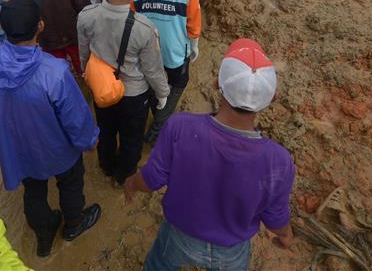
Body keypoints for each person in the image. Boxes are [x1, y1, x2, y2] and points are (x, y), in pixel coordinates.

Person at [124, 39, 295, 270]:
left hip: (179, 234)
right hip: (231, 249)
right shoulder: (279, 161)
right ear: (271, 97)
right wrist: (285, 235)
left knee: (158, 265)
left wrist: (132, 183)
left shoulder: (180, 127)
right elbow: (275, 217)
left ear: (217, 84)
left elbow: (151, 180)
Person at [0, 0, 101, 257]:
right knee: (71, 184)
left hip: (18, 146)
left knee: (32, 189)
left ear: (4, 27)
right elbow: (75, 118)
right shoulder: (54, 71)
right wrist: (88, 141)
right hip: (58, 148)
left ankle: (44, 232)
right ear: (40, 26)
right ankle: (74, 224)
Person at [78, 0, 169, 186]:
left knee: (106, 132)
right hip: (134, 96)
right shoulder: (144, 27)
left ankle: (106, 166)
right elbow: (152, 70)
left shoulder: (86, 16)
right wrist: (163, 95)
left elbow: (84, 55)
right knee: (131, 140)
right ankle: (124, 176)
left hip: (102, 90)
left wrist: (89, 78)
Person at [133, 0, 201, 143]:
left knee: (153, 84)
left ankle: (157, 111)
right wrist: (194, 46)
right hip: (175, 51)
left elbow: (132, 18)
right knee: (179, 83)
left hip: (145, 51)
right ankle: (159, 125)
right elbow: (193, 26)